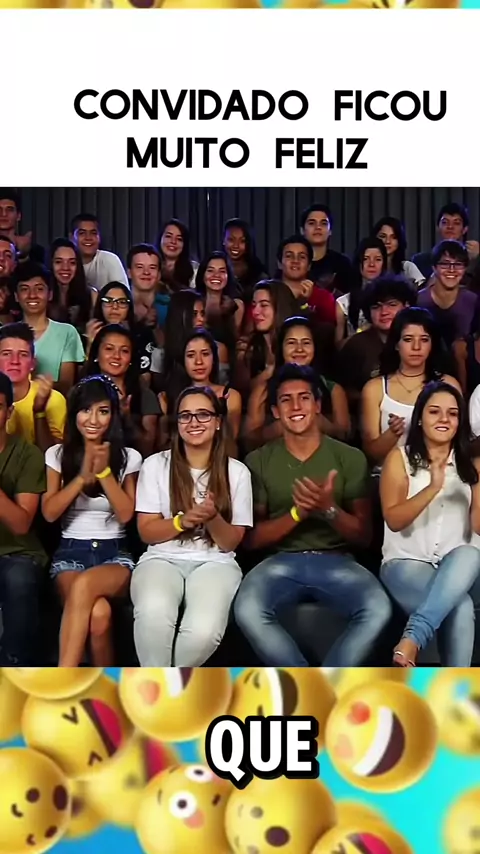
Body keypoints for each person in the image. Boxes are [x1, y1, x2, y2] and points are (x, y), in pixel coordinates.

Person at [234, 364, 392, 666]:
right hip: (279, 562)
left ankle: (324, 682)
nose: (296, 406)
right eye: (286, 400)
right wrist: (298, 513)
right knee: (247, 610)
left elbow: (364, 536)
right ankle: (306, 680)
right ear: (275, 411)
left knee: (378, 609)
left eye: (304, 398)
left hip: (337, 560)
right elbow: (251, 539)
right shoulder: (258, 460)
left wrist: (328, 509)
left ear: (318, 405)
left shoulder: (350, 457)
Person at [132, 385, 252, 666]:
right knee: (153, 615)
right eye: (185, 416)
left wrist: (212, 517)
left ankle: (166, 684)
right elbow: (146, 530)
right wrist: (182, 521)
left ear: (218, 421)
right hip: (162, 558)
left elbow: (231, 542)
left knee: (203, 632)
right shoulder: (155, 465)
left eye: (203, 415)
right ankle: (163, 687)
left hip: (216, 563)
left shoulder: (237, 472)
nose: (193, 422)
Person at [42, 375, 142, 666]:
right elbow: (49, 512)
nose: (94, 420)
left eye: (103, 411)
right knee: (99, 615)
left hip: (115, 555)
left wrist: (103, 473)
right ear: (74, 414)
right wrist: (81, 478)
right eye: (86, 410)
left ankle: (63, 680)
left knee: (86, 588)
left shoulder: (129, 457)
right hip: (70, 554)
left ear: (113, 416)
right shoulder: (57, 455)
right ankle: (103, 689)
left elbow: (126, 514)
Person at [380, 381, 480, 667]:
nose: (444, 419)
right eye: (435, 411)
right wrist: (433, 487)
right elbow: (394, 520)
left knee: (470, 552)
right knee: (460, 607)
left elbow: (477, 526)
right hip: (405, 563)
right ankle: (457, 687)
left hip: (458, 568)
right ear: (420, 418)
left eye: (453, 413)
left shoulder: (470, 465)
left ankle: (411, 641)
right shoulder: (399, 459)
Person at [361, 307, 460, 467]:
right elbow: (371, 454)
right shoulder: (375, 389)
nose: (416, 347)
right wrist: (392, 434)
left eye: (424, 340)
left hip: (440, 471)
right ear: (396, 344)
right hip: (389, 475)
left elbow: (460, 443)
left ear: (432, 344)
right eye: (408, 339)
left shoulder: (448, 384)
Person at [244, 316, 349, 447]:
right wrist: (281, 427)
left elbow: (344, 436)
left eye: (306, 343)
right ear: (281, 348)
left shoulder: (333, 390)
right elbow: (249, 441)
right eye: (291, 343)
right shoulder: (262, 390)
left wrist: (318, 423)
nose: (299, 349)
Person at [0, 371, 47, 665]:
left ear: (8, 412)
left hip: (19, 553)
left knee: (18, 580)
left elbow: (21, 523)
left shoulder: (28, 454)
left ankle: (15, 668)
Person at [336, 275, 416, 409]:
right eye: (376, 307)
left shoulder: (421, 339)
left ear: (406, 306)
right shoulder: (356, 346)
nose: (384, 312)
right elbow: (342, 391)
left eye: (392, 305)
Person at [85, 324, 160, 457]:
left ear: (131, 359)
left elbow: (148, 448)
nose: (116, 356)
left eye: (124, 351)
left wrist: (126, 417)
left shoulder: (145, 395)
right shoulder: (81, 391)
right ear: (96, 354)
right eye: (109, 349)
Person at [160, 329, 242, 447]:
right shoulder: (167, 398)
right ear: (182, 360)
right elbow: (163, 444)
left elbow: (230, 441)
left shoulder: (230, 396)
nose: (199, 362)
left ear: (214, 359)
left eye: (205, 354)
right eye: (191, 355)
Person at [13, 262, 85, 395]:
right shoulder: (6, 334)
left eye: (39, 289)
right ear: (16, 296)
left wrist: (24, 385)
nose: (32, 295)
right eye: (24, 289)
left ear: (50, 294)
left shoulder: (67, 333)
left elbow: (66, 385)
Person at [0, 323, 66, 451]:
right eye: (6, 354)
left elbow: (55, 456)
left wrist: (40, 411)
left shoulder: (53, 400)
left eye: (23, 354)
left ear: (32, 364)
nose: (15, 361)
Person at [233, 280, 300, 399]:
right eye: (254, 305)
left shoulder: (296, 347)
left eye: (263, 305)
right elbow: (243, 392)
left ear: (280, 308)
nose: (255, 312)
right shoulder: (249, 346)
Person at [86, 281, 157, 385]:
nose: (115, 307)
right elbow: (82, 377)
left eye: (122, 302)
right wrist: (90, 346)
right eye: (108, 301)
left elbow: (145, 378)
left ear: (129, 307)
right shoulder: (89, 332)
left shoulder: (143, 334)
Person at [417, 240, 478, 348]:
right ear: (434, 267)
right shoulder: (418, 300)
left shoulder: (474, 301)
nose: (451, 270)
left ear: (465, 269)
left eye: (458, 264)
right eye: (445, 264)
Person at [336, 237, 388, 344]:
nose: (371, 264)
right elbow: (339, 346)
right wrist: (361, 333)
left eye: (378, 259)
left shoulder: (394, 300)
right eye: (366, 259)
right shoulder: (343, 303)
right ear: (358, 263)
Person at [277, 234, 336, 326]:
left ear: (309, 265)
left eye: (302, 257)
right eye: (289, 256)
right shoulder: (269, 294)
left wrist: (304, 305)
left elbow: (330, 329)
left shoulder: (324, 298)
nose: (295, 261)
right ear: (279, 264)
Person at [412, 202, 478, 281]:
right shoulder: (420, 260)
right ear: (437, 227)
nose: (450, 227)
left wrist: (477, 259)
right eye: (445, 222)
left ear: (464, 229)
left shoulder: (474, 258)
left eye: (456, 223)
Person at [300, 203, 353, 295]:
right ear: (302, 230)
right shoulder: (294, 262)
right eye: (312, 223)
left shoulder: (342, 263)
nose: (318, 227)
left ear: (330, 230)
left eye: (323, 223)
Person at [71, 213, 129, 292]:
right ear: (71, 237)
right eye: (82, 233)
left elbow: (123, 294)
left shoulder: (110, 259)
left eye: (93, 233)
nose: (88, 238)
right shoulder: (65, 263)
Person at [48, 238, 95, 330]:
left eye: (72, 262)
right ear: (50, 264)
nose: (66, 268)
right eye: (58, 262)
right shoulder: (41, 295)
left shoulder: (91, 295)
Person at [222, 218, 267, 303]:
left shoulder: (259, 274)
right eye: (231, 239)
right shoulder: (215, 268)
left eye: (242, 241)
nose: (236, 245)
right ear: (223, 240)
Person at [373, 217, 425, 288]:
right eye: (383, 236)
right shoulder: (368, 266)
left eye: (394, 237)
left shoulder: (407, 267)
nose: (388, 241)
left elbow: (422, 290)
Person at [157, 219, 198, 291]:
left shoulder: (195, 270)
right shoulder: (150, 266)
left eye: (179, 239)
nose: (173, 242)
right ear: (160, 239)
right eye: (168, 236)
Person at [127, 243, 162, 325]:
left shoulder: (171, 306)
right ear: (129, 272)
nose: (146, 272)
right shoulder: (118, 306)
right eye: (140, 267)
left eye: (152, 268)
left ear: (159, 274)